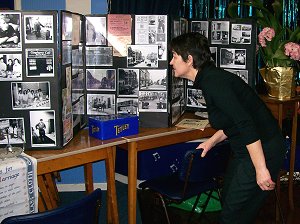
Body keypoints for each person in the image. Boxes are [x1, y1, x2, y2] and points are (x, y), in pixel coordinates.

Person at [169, 32, 286, 224]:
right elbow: (232, 120)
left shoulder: (214, 82)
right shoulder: (210, 79)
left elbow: (245, 124)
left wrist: (261, 169)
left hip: (263, 149)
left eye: (174, 56)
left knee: (233, 213)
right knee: (232, 205)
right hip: (249, 150)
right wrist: (211, 142)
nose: (171, 62)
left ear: (189, 59)